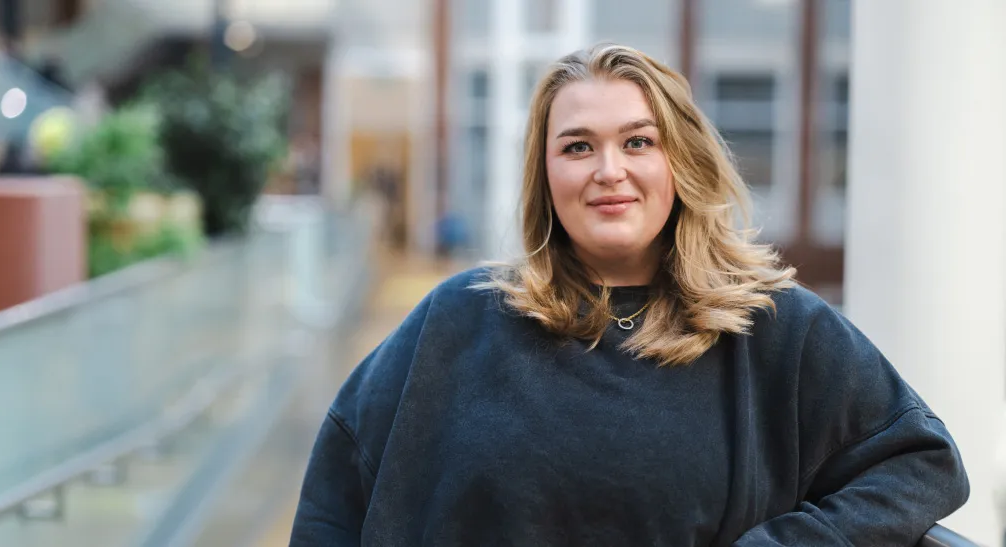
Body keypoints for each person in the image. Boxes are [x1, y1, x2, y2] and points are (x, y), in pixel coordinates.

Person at [289, 44, 968, 546]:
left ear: (681, 162)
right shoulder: (458, 318)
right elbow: (337, 490)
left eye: (638, 142)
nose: (609, 171)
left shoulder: (775, 326)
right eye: (578, 147)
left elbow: (921, 461)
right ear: (545, 175)